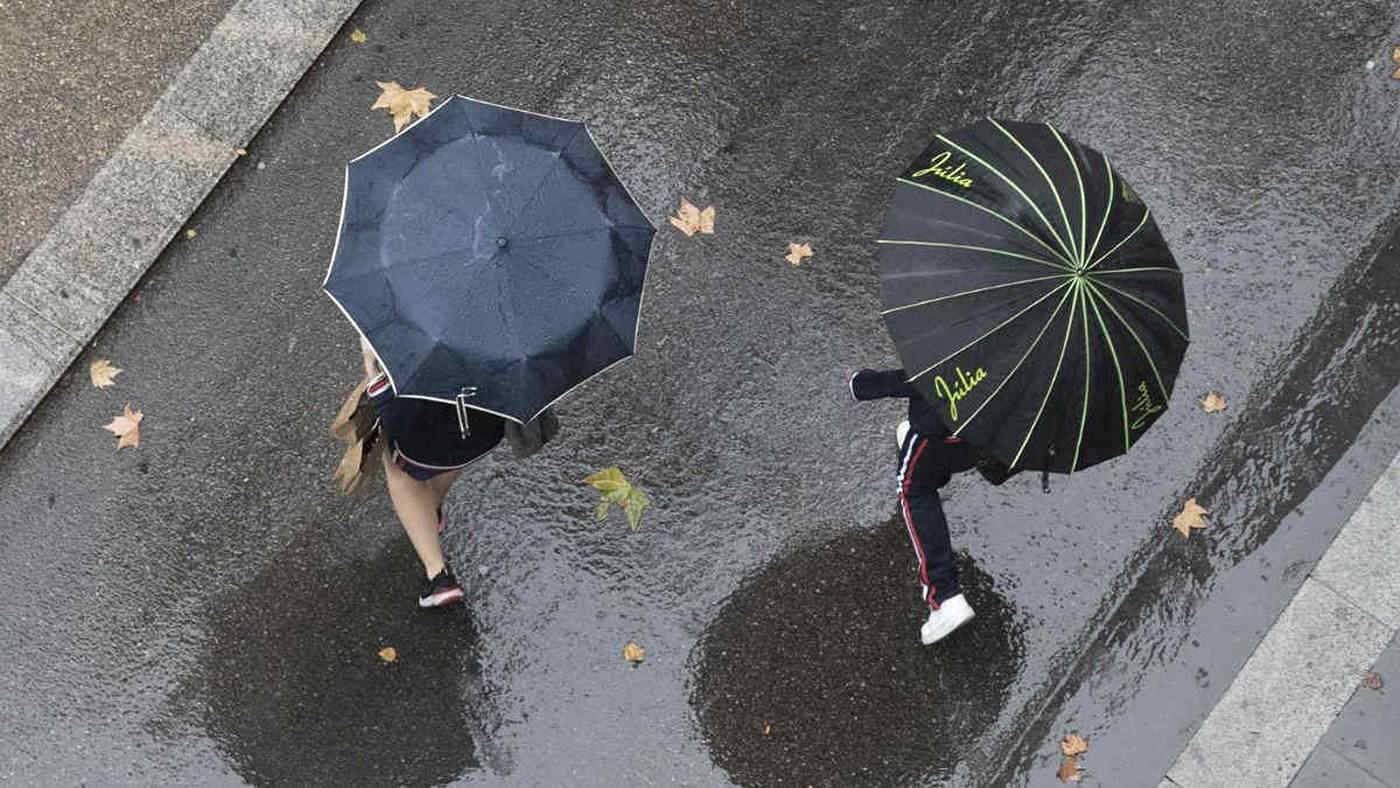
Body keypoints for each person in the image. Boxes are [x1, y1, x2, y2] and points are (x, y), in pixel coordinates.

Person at [848, 368, 1016, 644]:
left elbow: (925, 376)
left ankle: (944, 596)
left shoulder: (980, 334)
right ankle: (949, 462)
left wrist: (865, 384)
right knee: (936, 459)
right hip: (992, 435)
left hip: (940, 434)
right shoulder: (1046, 351)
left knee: (914, 490)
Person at [360, 337, 506, 608]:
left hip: (417, 387)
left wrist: (370, 361)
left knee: (399, 467)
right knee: (460, 442)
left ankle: (437, 575)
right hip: (483, 395)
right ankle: (430, 507)